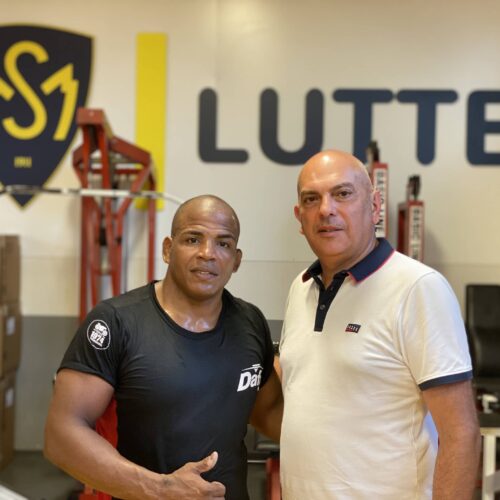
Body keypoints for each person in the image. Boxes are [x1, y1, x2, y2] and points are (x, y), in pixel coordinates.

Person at [44, 194, 283, 500]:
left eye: (223, 244)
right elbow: (61, 435)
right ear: (168, 249)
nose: (207, 253)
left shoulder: (250, 322)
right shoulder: (117, 321)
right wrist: (160, 489)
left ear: (236, 260)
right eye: (193, 239)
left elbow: (268, 412)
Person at [278, 150, 481, 499]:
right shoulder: (301, 288)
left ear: (375, 207)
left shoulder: (418, 288)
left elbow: (461, 434)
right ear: (300, 217)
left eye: (343, 194)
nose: (326, 209)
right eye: (312, 199)